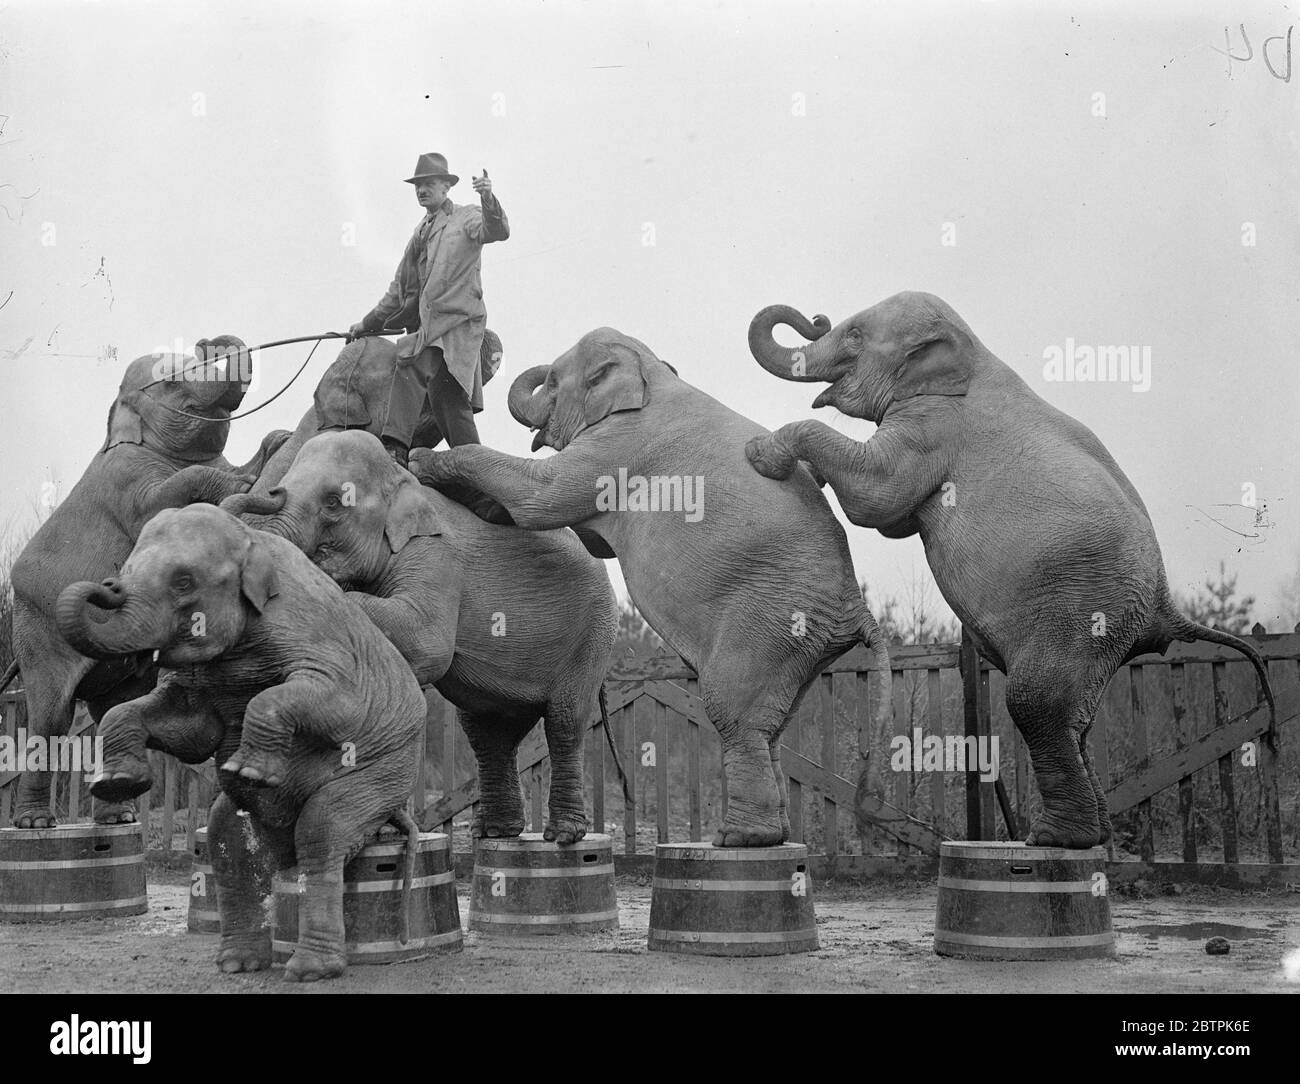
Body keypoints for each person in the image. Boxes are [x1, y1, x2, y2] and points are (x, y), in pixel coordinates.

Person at [347, 152, 509, 468]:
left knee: (409, 359)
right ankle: (479, 474)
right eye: (418, 185)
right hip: (432, 329)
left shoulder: (467, 217)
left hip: (458, 325)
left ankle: (393, 448)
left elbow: (496, 230)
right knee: (447, 403)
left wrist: (488, 197)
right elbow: (399, 290)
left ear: (446, 187)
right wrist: (365, 324)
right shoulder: (420, 233)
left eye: (429, 183)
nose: (422, 190)